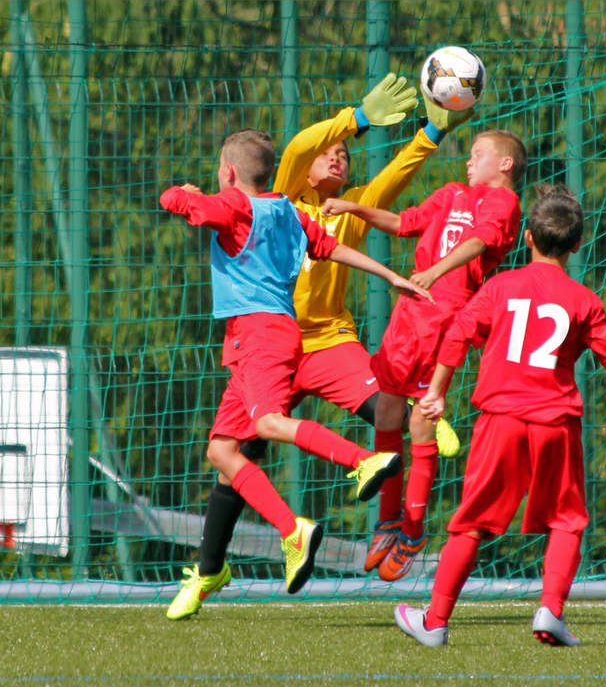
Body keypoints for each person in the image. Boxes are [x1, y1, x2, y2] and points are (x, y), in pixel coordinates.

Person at [166, 75, 473, 619]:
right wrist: (352, 119)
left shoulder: (345, 211)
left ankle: (404, 486)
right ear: (300, 168)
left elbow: (393, 180)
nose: (338, 158)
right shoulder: (282, 196)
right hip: (271, 343)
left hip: (315, 339)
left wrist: (428, 135)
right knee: (227, 460)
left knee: (387, 408)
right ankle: (208, 569)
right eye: (328, 153)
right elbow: (297, 146)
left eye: (345, 155)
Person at [394, 184, 606, 647]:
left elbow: (458, 335)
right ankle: (549, 612)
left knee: (472, 521)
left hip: (499, 419)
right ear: (578, 244)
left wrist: (437, 392)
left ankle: (435, 621)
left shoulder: (500, 286)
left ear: (526, 237)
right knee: (567, 519)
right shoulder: (584, 300)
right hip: (555, 422)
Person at [321, 126, 525, 580]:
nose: (469, 162)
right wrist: (354, 207)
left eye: (478, 155)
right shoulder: (452, 192)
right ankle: (388, 521)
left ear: (505, 165)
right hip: (409, 312)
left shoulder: (504, 204)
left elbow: (477, 243)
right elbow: (403, 222)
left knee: (420, 419)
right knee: (388, 412)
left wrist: (435, 271)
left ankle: (413, 529)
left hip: (446, 316)